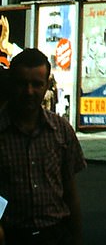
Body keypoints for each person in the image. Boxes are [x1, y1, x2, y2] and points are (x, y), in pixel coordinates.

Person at [0, 48, 85, 244]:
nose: (29, 92)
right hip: (11, 236)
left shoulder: (61, 130)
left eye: (37, 84)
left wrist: (77, 237)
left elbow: (70, 192)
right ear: (12, 83)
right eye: (22, 84)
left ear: (47, 84)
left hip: (55, 235)